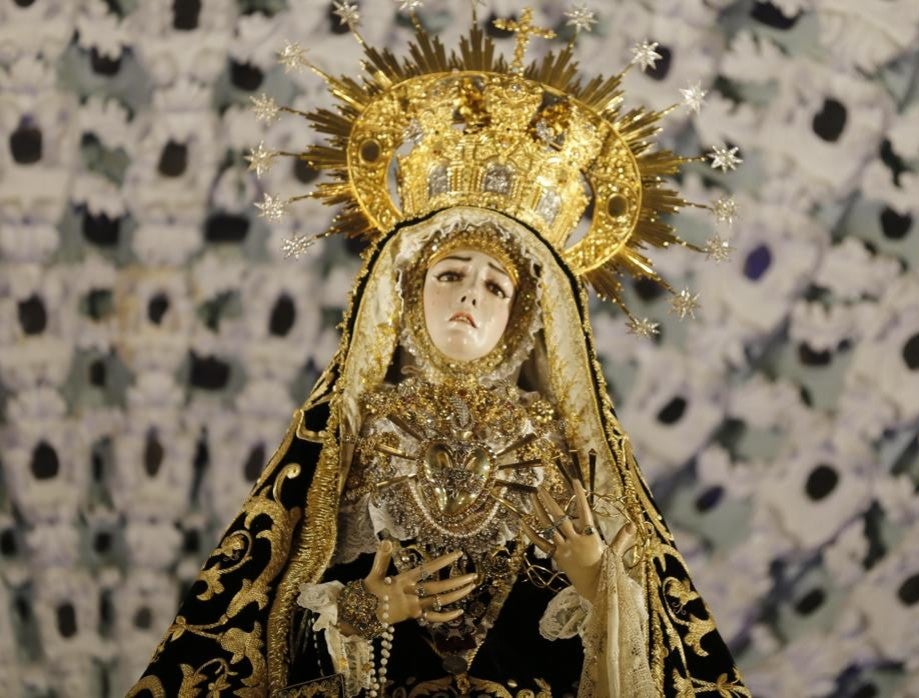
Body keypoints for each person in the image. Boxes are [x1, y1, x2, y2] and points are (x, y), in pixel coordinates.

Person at [127, 9, 749, 698]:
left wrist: (601, 586)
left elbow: (637, 646)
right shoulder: (352, 438)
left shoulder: (563, 448)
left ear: (523, 318)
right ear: (407, 293)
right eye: (450, 274)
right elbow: (264, 632)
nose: (471, 294)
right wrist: (364, 611)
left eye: (495, 285)